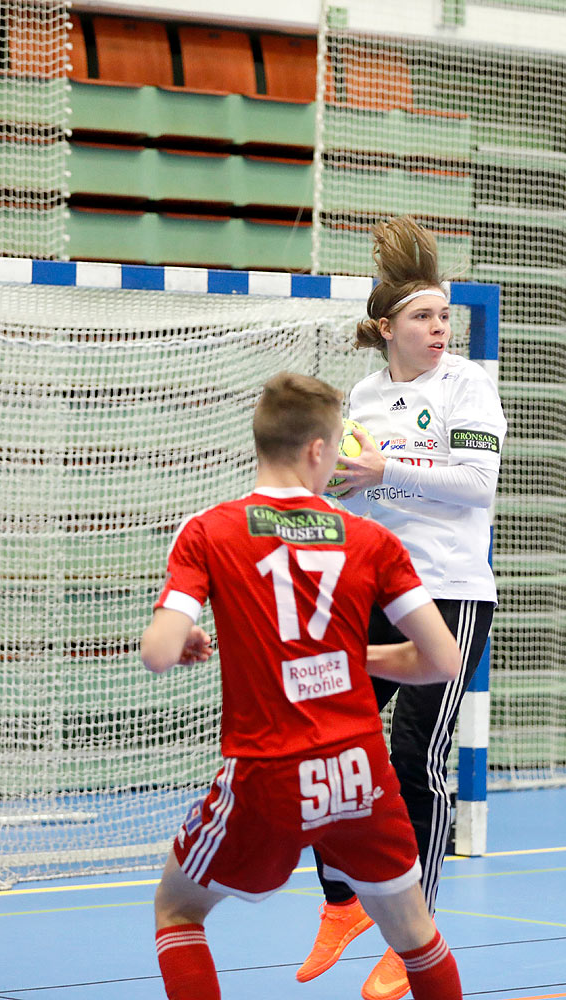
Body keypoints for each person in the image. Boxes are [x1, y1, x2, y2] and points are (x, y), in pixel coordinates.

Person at [141, 371, 465, 1000]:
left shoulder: (210, 529)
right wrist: (348, 654)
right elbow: (444, 660)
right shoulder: (372, 540)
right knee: (418, 939)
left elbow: (156, 654)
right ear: (320, 450)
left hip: (267, 772)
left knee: (177, 911)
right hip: (358, 773)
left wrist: (176, 640)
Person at [299, 217, 505, 1000]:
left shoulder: (467, 387)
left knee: (419, 754)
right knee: (324, 738)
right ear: (387, 327)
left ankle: (412, 939)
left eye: (445, 316)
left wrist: (386, 472)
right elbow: (358, 493)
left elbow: (476, 486)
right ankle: (344, 902)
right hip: (375, 590)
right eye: (424, 317)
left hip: (448, 597)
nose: (440, 329)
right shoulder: (364, 395)